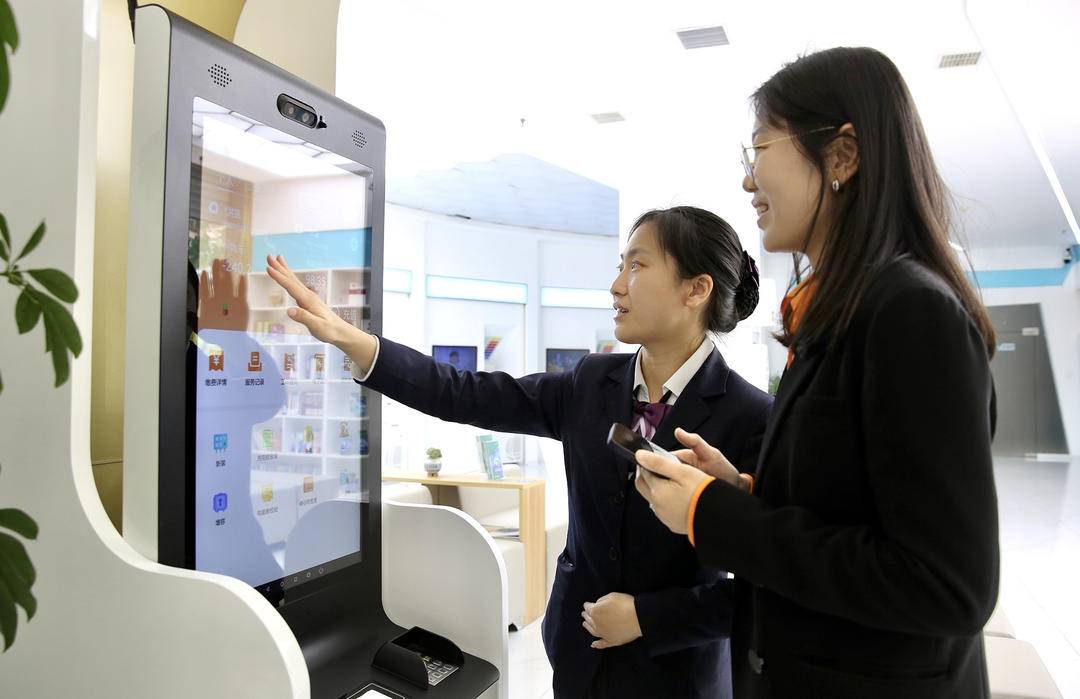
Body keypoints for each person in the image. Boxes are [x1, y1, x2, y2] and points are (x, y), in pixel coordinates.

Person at [265, 206, 773, 698]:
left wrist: (647, 618)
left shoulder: (751, 416)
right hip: (578, 656)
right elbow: (465, 392)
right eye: (620, 266)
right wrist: (353, 341)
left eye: (637, 265)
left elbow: (768, 588)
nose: (617, 285)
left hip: (676, 675)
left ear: (696, 289)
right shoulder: (591, 382)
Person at [635, 47, 999, 699]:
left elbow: (946, 587)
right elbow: (853, 505)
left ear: (842, 156)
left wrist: (713, 515)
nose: (748, 181)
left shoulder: (911, 312)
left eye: (759, 150)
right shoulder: (840, 308)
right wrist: (743, 491)